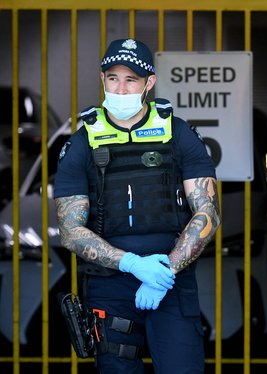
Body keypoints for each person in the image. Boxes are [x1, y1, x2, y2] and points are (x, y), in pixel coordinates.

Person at [54, 38, 220, 373]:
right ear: (102, 80)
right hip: (110, 285)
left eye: (131, 79)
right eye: (113, 78)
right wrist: (132, 264)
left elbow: (209, 213)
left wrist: (165, 271)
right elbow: (70, 230)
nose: (121, 87)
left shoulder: (177, 133)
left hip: (170, 282)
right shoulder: (83, 140)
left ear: (149, 83)